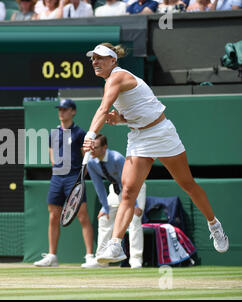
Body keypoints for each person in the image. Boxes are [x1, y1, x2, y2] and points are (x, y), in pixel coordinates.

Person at [82, 43, 229, 265]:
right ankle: (115, 244)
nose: (95, 61)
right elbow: (137, 112)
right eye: (93, 58)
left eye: (100, 58)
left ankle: (214, 224)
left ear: (113, 61)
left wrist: (91, 134)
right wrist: (120, 120)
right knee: (129, 191)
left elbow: (103, 109)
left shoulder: (117, 77)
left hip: (161, 133)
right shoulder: (112, 81)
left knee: (187, 183)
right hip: (139, 138)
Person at [34, 99, 95, 268]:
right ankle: (52, 256)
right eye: (60, 109)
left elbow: (86, 158)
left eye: (65, 109)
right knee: (53, 216)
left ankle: (90, 256)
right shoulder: (53, 133)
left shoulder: (80, 133)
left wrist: (80, 179)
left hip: (73, 178)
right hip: (57, 178)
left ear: (73, 111)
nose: (61, 112)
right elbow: (52, 155)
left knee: (82, 215)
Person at [86, 134, 146, 269]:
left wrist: (134, 204)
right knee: (104, 218)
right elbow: (99, 185)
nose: (92, 151)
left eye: (95, 148)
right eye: (91, 148)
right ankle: (102, 258)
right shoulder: (91, 162)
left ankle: (136, 259)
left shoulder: (117, 158)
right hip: (116, 189)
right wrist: (105, 207)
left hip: (135, 186)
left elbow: (129, 183)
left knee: (135, 219)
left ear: (104, 148)